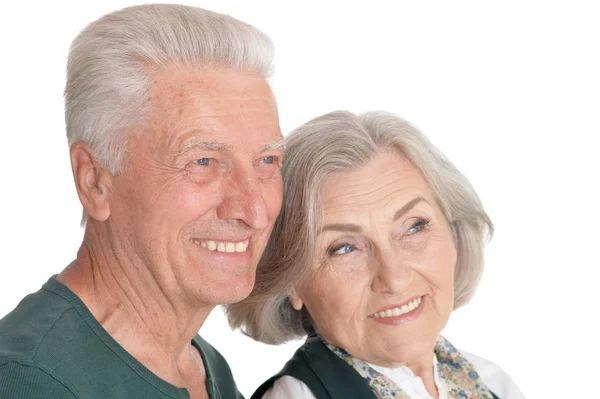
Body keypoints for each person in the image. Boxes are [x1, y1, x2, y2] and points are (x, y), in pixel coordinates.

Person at [0, 4, 283, 398]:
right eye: (202, 162)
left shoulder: (206, 367)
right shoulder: (27, 382)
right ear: (94, 180)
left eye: (267, 160)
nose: (254, 210)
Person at [227, 111, 525, 399]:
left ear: (454, 233)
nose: (394, 278)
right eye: (344, 248)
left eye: (414, 227)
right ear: (292, 280)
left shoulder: (493, 383)